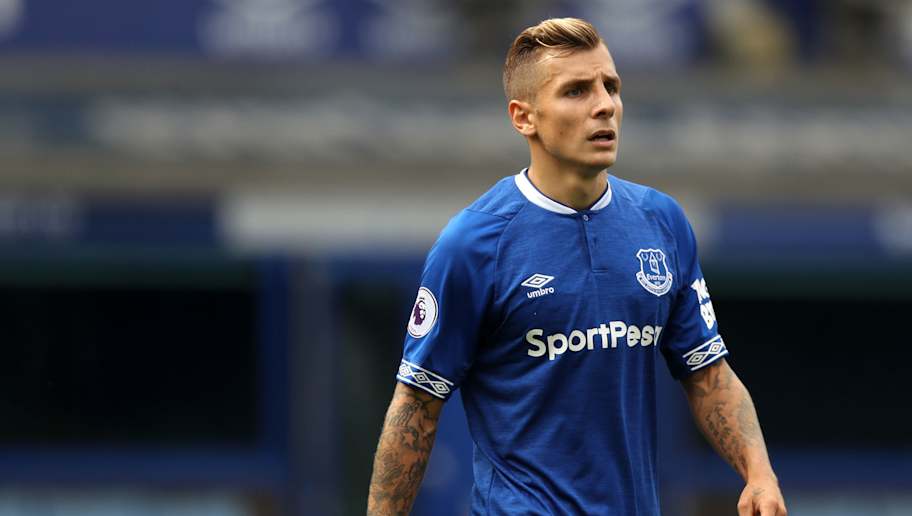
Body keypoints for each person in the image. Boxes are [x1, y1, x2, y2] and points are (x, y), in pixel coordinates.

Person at [367, 17, 787, 516]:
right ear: (524, 118)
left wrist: (759, 474)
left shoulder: (662, 222)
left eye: (611, 86)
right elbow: (416, 407)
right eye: (576, 91)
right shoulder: (473, 245)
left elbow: (708, 375)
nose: (604, 105)